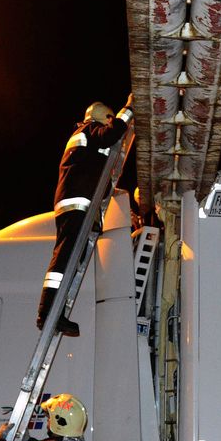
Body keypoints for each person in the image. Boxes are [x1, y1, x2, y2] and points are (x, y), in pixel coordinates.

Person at [38, 95, 134, 337]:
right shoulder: (89, 130)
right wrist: (129, 110)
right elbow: (110, 135)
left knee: (71, 259)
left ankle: (54, 313)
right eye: (109, 120)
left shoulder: (86, 138)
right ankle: (47, 313)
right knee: (65, 260)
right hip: (76, 205)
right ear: (103, 118)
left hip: (78, 206)